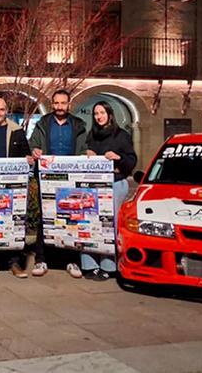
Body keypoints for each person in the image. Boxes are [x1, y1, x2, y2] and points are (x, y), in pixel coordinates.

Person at [28, 89, 88, 279]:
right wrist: (35, 149)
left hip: (72, 178)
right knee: (45, 218)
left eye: (63, 103)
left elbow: (85, 147)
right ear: (52, 104)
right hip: (47, 178)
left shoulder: (78, 125)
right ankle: (41, 258)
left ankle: (71, 261)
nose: (59, 107)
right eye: (56, 103)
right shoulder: (43, 123)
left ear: (69, 105)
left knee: (71, 218)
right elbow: (32, 143)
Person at [0, 97, 34, 278]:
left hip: (11, 185)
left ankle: (14, 262)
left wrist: (28, 160)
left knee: (13, 223)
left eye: (2, 109)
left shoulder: (17, 131)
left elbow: (26, 155)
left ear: (7, 111)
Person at [83, 101, 137, 281]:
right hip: (94, 186)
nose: (99, 116)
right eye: (96, 114)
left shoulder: (121, 135)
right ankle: (90, 264)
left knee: (109, 225)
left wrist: (118, 158)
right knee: (90, 224)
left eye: (102, 113)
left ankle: (109, 265)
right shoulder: (92, 135)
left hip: (115, 184)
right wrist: (87, 154)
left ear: (109, 114)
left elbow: (131, 161)